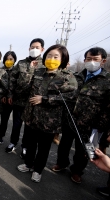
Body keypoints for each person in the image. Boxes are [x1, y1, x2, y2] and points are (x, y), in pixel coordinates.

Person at [17, 44, 77, 183]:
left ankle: (38, 170)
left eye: (55, 56)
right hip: (32, 116)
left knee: (44, 148)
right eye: (49, 56)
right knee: (30, 144)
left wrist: (44, 99)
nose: (51, 59)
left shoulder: (67, 76)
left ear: (63, 59)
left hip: (49, 121)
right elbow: (23, 87)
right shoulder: (38, 72)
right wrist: (29, 71)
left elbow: (71, 96)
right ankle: (28, 164)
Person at [52, 47, 110, 184]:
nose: (91, 62)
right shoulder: (76, 77)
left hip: (91, 124)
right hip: (70, 119)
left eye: (95, 59)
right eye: (89, 59)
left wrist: (102, 127)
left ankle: (77, 171)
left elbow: (108, 108)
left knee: (83, 151)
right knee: (64, 145)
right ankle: (62, 163)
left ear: (103, 61)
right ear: (84, 60)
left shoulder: (107, 82)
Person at [7, 38, 45, 157]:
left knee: (29, 127)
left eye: (37, 47)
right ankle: (13, 142)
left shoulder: (44, 65)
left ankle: (25, 146)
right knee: (16, 124)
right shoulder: (21, 63)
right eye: (32, 47)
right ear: (29, 49)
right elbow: (12, 79)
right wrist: (10, 94)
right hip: (19, 100)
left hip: (33, 102)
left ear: (42, 49)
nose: (34, 49)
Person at [0, 51, 16, 151]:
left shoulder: (17, 71)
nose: (8, 61)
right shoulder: (1, 71)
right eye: (7, 59)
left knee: (16, 123)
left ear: (14, 60)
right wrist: (3, 95)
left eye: (11, 59)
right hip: (4, 99)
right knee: (4, 119)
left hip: (16, 100)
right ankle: (0, 136)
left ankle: (13, 142)